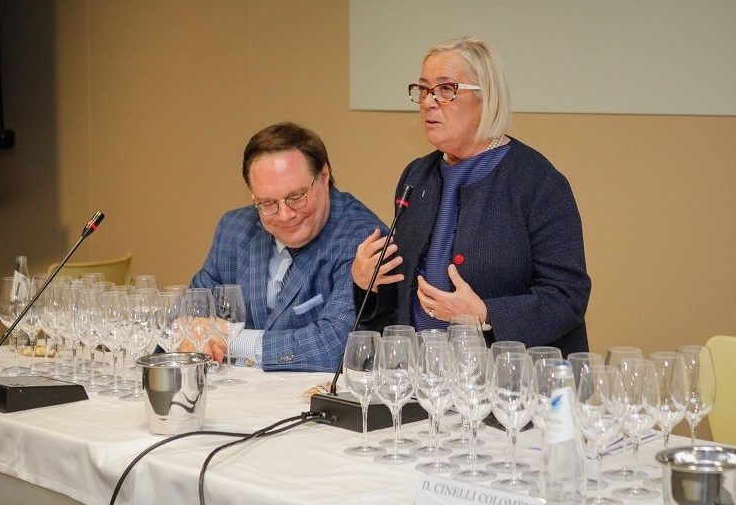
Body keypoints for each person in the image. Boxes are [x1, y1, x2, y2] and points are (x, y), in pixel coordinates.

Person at [352, 37, 591, 355]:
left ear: (486, 98)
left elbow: (567, 297)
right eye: (423, 89)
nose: (428, 102)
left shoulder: (537, 182)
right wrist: (368, 282)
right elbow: (402, 292)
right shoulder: (416, 176)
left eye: (445, 89)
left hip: (509, 376)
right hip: (424, 373)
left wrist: (485, 315)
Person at [188, 122, 386, 371]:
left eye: (296, 197)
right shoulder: (234, 229)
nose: (284, 215)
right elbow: (189, 312)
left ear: (324, 176)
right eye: (267, 203)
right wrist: (190, 330)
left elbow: (334, 347)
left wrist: (230, 339)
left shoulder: (362, 239)